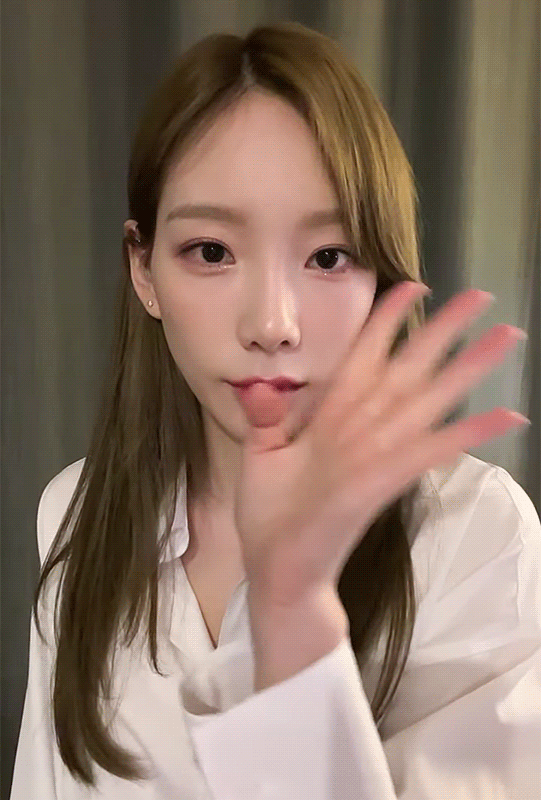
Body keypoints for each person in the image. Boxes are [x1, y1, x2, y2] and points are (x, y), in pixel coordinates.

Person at [10, 20, 540, 800]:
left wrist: (291, 616)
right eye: (211, 252)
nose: (271, 324)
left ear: (381, 279)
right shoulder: (76, 511)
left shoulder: (476, 534)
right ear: (143, 271)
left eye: (328, 256)